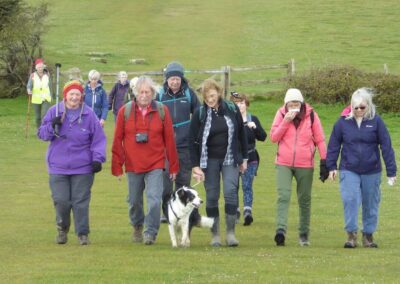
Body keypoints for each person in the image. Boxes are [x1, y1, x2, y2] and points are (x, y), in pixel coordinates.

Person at [111, 76, 179, 245]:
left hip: (156, 163)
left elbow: (170, 140)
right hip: (133, 164)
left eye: (147, 92)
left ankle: (150, 232)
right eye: (141, 92)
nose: (144, 95)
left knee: (155, 200)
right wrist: (117, 166)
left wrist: (173, 167)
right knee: (134, 201)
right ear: (135, 93)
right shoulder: (124, 112)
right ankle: (137, 226)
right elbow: (117, 139)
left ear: (153, 93)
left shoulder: (162, 111)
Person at [37, 80, 106, 245]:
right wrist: (51, 126)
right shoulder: (54, 111)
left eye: (77, 94)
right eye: (71, 94)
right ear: (65, 96)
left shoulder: (89, 115)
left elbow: (98, 139)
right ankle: (62, 229)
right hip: (58, 166)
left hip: (83, 167)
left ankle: (83, 234)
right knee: (61, 201)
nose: (74, 97)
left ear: (81, 96)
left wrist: (97, 159)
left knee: (80, 201)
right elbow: (42, 134)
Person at [326, 88, 397, 249]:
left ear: (368, 106)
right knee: (350, 199)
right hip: (348, 168)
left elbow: (386, 146)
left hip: (372, 170)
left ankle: (368, 235)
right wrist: (331, 166)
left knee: (371, 203)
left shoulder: (376, 122)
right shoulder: (342, 123)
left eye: (362, 107)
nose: (358, 110)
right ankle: (351, 235)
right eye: (355, 107)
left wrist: (391, 171)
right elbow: (333, 145)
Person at [189, 79, 248, 247]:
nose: (210, 99)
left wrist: (244, 158)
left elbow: (242, 134)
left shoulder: (231, 108)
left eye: (213, 96)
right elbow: (191, 141)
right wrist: (195, 166)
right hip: (209, 161)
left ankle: (230, 234)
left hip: (230, 158)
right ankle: (215, 235)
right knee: (212, 196)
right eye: (207, 97)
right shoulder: (200, 113)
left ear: (219, 93)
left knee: (230, 193)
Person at [270, 88, 327, 247]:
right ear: (286, 104)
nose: (293, 106)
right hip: (283, 163)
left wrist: (324, 161)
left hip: (305, 164)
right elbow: (274, 138)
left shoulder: (311, 115)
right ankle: (280, 231)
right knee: (283, 196)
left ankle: (303, 234)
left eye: (296, 103)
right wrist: (285, 121)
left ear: (301, 103)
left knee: (304, 199)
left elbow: (320, 140)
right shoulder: (281, 114)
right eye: (290, 103)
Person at [156, 61, 201, 223]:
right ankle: (166, 212)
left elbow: (198, 115)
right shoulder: (160, 95)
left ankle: (183, 214)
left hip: (184, 146)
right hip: (165, 147)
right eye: (171, 79)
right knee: (166, 185)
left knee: (183, 182)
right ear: (167, 79)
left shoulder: (189, 94)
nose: (174, 82)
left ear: (181, 79)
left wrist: (192, 133)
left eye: (177, 79)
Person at [230, 91, 267, 226]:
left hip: (251, 158)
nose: (239, 106)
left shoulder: (253, 118)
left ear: (246, 104)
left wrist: (255, 128)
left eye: (242, 103)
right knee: (233, 187)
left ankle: (247, 212)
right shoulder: (230, 119)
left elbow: (263, 137)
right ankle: (235, 211)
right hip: (233, 158)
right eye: (236, 103)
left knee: (247, 185)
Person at [27, 58, 52, 128]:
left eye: (41, 67)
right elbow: (29, 85)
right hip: (36, 99)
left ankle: (44, 130)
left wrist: (51, 96)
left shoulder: (47, 75)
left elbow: (50, 86)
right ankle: (39, 129)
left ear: (43, 67)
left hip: (46, 98)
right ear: (36, 68)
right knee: (38, 117)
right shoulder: (33, 75)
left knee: (44, 115)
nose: (40, 68)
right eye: (39, 67)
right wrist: (29, 90)